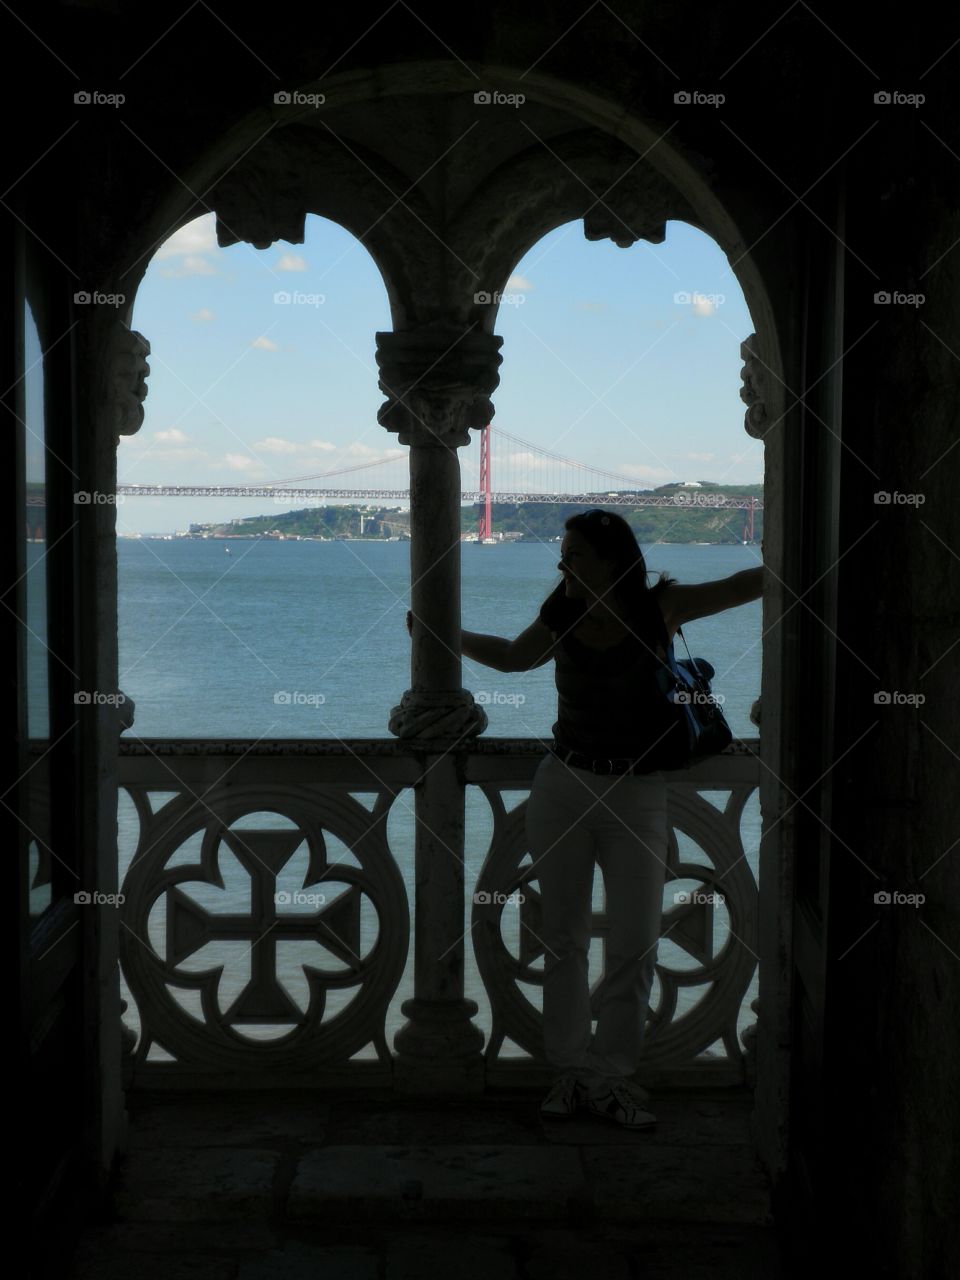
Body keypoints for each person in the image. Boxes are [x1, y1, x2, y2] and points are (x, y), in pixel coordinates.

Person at [406, 509, 764, 1130]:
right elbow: (513, 659)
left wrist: (809, 555)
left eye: (574, 553)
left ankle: (611, 1077)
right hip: (565, 787)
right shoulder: (562, 613)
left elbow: (741, 587)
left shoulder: (661, 608)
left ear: (611, 559)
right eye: (564, 552)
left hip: (637, 794)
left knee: (636, 942)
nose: (562, 563)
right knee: (563, 939)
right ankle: (571, 1073)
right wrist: (444, 635)